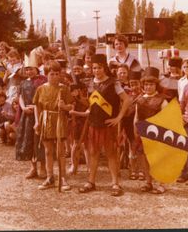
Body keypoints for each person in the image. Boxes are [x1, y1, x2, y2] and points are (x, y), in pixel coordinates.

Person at [78, 54, 130, 197]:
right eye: (94, 68)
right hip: (94, 122)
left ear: (104, 68)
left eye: (99, 68)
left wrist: (119, 117)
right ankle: (91, 182)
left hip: (108, 124)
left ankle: (115, 183)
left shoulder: (114, 82)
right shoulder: (89, 83)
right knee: (93, 153)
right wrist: (79, 98)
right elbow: (90, 103)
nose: (96, 71)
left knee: (111, 154)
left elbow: (126, 100)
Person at [33, 60, 74, 191]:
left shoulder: (64, 89)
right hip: (46, 120)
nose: (55, 76)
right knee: (48, 150)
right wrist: (37, 122)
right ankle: (50, 177)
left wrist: (64, 106)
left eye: (57, 74)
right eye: (52, 74)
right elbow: (37, 106)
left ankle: (63, 178)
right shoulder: (41, 89)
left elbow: (71, 106)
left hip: (59, 120)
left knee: (60, 151)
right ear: (46, 74)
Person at [134, 67, 168, 194]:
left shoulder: (162, 100)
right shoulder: (139, 99)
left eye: (151, 84)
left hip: (157, 133)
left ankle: (161, 184)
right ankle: (148, 181)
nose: (148, 87)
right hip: (143, 133)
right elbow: (136, 117)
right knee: (144, 158)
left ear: (156, 85)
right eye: (146, 84)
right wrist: (135, 131)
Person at [15, 50, 48, 179]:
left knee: (39, 141)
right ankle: (33, 167)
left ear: (36, 69)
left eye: (31, 69)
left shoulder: (42, 81)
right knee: (28, 140)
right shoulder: (23, 83)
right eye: (27, 69)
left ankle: (43, 167)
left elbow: (44, 96)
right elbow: (20, 97)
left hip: (38, 114)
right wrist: (23, 108)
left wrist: (35, 106)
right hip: (27, 116)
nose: (29, 72)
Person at [67, 82, 90, 175]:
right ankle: (73, 165)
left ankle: (89, 166)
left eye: (76, 90)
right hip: (77, 124)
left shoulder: (86, 100)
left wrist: (78, 113)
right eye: (72, 91)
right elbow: (71, 112)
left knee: (87, 145)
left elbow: (88, 111)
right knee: (76, 144)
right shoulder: (72, 101)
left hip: (86, 123)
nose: (74, 92)